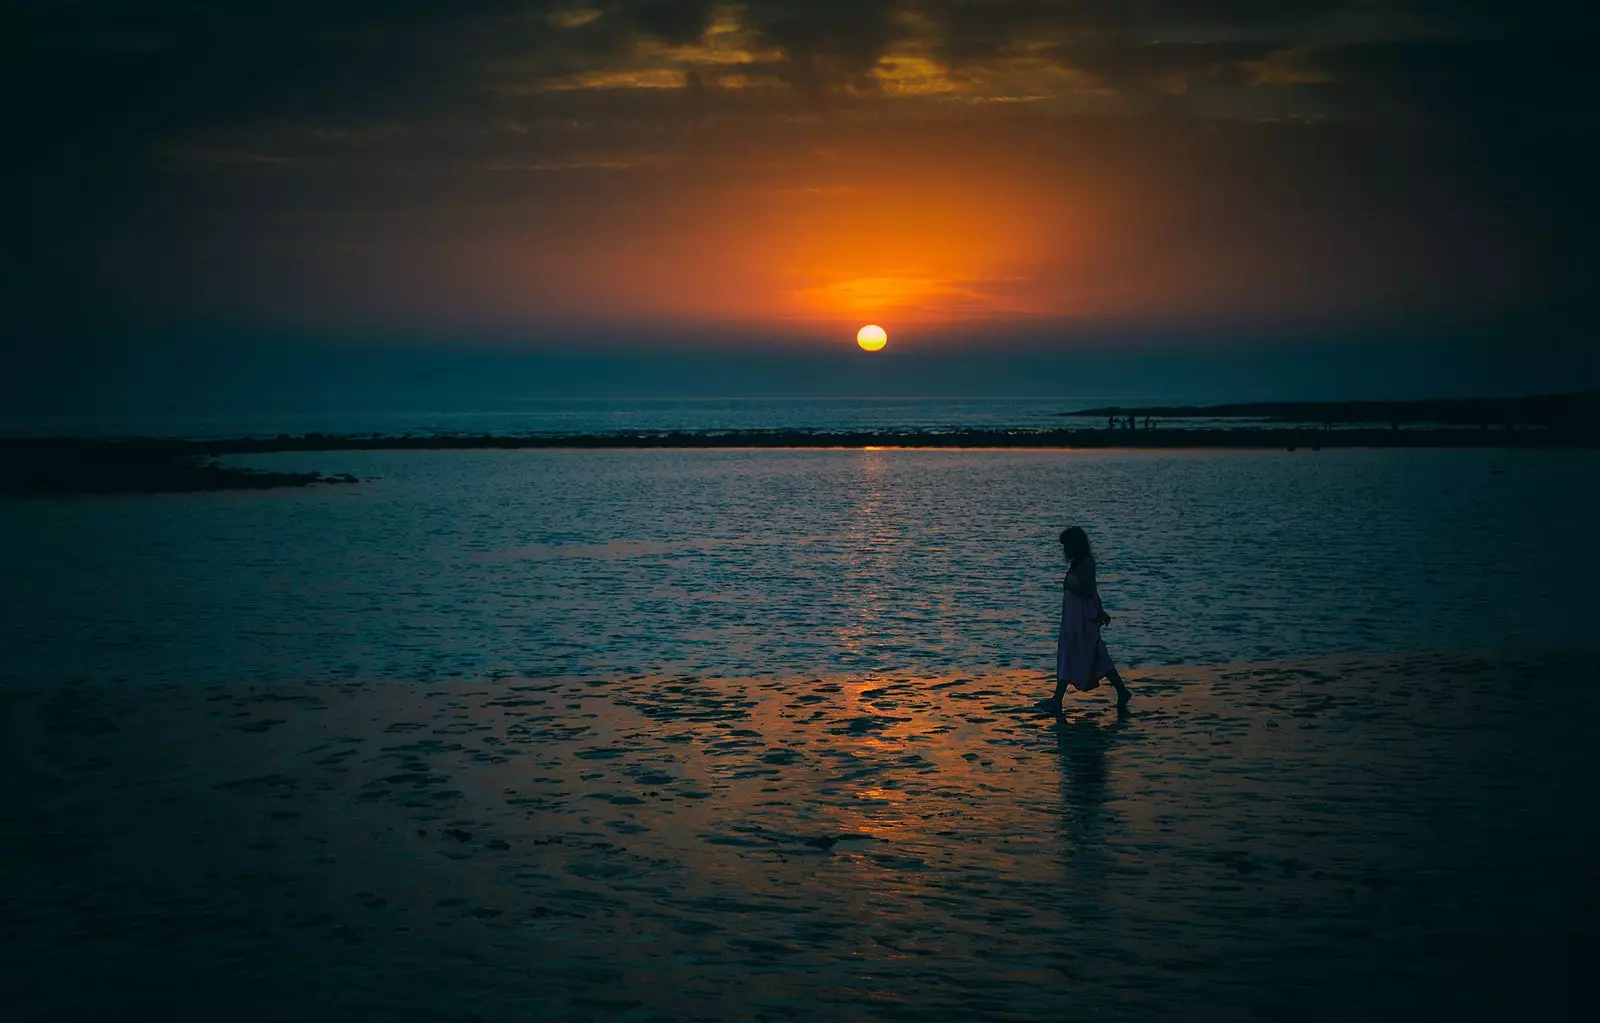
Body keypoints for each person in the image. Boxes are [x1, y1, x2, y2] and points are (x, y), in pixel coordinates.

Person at [1046, 526, 1130, 713]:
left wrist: (1071, 583)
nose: (1065, 550)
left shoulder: (1085, 564)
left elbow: (1087, 589)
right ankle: (1058, 698)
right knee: (1080, 653)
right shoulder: (1079, 563)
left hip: (1082, 618)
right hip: (1074, 618)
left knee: (1089, 653)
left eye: (1067, 545)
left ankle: (1058, 698)